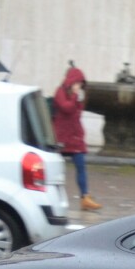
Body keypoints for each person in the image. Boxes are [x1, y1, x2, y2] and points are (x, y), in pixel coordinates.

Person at [52, 62, 100, 211]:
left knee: (81, 166)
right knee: (55, 168)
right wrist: (73, 96)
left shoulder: (77, 95)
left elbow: (77, 112)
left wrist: (78, 98)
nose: (79, 85)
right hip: (61, 137)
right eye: (78, 82)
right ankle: (53, 196)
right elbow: (66, 108)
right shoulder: (60, 92)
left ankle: (85, 197)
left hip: (75, 137)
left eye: (81, 83)